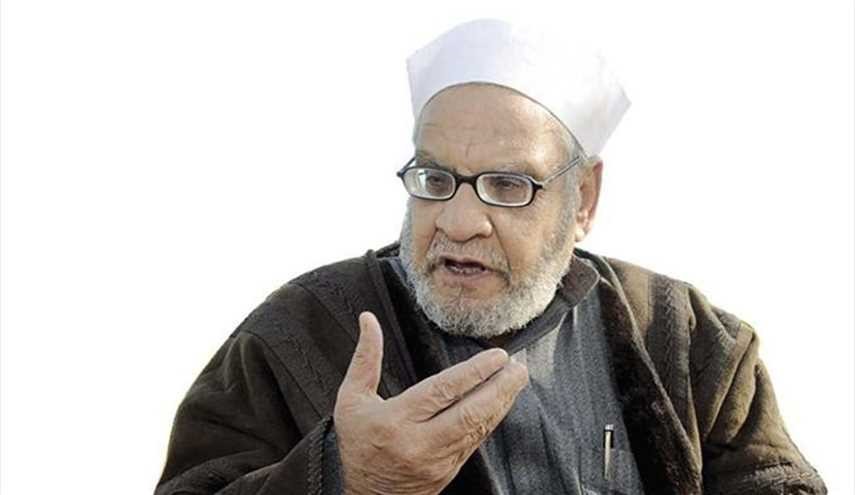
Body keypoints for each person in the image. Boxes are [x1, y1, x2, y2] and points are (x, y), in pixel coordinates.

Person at [155, 19, 826, 495]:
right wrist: (344, 479)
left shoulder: (686, 339)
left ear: (582, 198)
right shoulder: (299, 333)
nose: (458, 221)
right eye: (434, 179)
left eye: (507, 186)